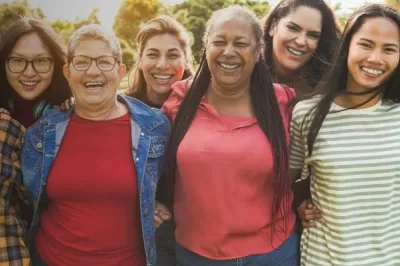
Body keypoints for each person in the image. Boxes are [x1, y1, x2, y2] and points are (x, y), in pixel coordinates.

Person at [22, 24, 170, 266]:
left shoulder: (154, 127)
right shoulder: (41, 132)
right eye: (81, 62)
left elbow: (166, 182)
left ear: (120, 71)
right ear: (68, 72)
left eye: (104, 61)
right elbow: (30, 199)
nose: (93, 71)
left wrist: (152, 200)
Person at [162, 6, 298, 266]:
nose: (228, 52)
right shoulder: (180, 101)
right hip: (196, 255)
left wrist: (309, 200)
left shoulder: (283, 102)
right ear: (206, 47)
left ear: (258, 51)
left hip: (274, 254)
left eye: (241, 43)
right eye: (219, 42)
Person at [289, 3, 400, 265]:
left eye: (389, 49)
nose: (375, 58)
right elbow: (287, 182)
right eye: (366, 44)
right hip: (323, 259)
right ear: (347, 45)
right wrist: (299, 203)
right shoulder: (307, 114)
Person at [0, 17, 72, 265]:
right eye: (17, 60)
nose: (29, 72)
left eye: (41, 61)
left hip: (55, 246)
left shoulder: (69, 116)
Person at [125, 15, 194, 266]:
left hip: (195, 230)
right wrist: (144, 202)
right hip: (141, 230)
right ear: (140, 60)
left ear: (185, 61)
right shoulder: (123, 109)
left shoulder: (202, 107)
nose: (162, 65)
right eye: (153, 54)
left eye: (173, 55)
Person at [262, 0, 341, 97]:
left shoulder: (327, 90)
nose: (301, 42)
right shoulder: (245, 75)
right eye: (293, 28)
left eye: (313, 35)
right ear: (272, 26)